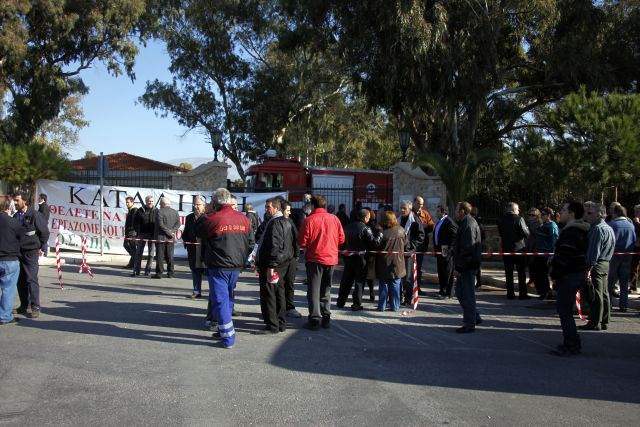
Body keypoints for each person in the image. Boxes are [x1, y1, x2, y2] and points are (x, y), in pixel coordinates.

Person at [196, 188, 252, 349]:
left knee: (220, 300)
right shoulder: (244, 219)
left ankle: (228, 337)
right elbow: (249, 242)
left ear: (215, 202)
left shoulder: (212, 218)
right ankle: (224, 330)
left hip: (218, 265)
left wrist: (204, 213)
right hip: (236, 265)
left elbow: (198, 231)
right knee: (228, 298)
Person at [549, 202, 591, 356]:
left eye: (564, 210)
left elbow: (566, 258)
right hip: (574, 273)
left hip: (570, 275)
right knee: (565, 310)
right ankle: (571, 342)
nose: (561, 212)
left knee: (564, 310)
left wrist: (555, 272)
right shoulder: (578, 230)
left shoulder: (571, 232)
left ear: (572, 213)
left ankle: (571, 344)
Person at [298, 195, 345, 330]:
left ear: (313, 205)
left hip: (315, 259)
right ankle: (326, 316)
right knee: (326, 289)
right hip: (330, 258)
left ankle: (315, 318)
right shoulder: (334, 219)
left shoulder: (309, 220)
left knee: (314, 290)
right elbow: (342, 239)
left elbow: (302, 242)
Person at [255, 198, 296, 334]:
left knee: (270, 294)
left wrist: (271, 266)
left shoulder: (276, 222)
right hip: (281, 263)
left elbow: (275, 245)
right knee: (278, 292)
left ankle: (272, 325)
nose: (266, 209)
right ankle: (280, 322)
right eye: (266, 207)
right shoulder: (284, 222)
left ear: (276, 208)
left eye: (268, 207)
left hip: (274, 264)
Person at [337, 209, 382, 311]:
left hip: (348, 258)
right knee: (359, 281)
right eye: (368, 217)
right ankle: (356, 304)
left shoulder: (347, 227)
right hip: (361, 259)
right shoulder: (365, 228)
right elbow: (374, 243)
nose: (369, 219)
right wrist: (379, 234)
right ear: (365, 218)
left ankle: (340, 301)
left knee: (346, 280)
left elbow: (341, 243)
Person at [580, 201, 615, 331]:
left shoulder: (597, 228)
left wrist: (589, 268)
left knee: (596, 294)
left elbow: (594, 251)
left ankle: (595, 322)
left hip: (597, 264)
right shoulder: (608, 227)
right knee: (604, 293)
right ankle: (605, 320)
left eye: (589, 213)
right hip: (605, 263)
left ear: (599, 215)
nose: (586, 215)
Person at [13, 193, 49, 319]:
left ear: (25, 201)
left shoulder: (34, 215)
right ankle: (24, 305)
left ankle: (35, 306)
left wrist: (39, 245)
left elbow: (44, 232)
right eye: (15, 200)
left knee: (31, 279)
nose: (15, 202)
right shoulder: (16, 216)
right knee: (20, 280)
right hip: (19, 252)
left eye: (17, 200)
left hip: (31, 252)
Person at [451, 202, 483, 333]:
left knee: (467, 295)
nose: (455, 213)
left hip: (467, 266)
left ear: (462, 211)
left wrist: (459, 268)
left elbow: (468, 249)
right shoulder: (465, 223)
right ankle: (475, 316)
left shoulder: (469, 224)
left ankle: (469, 323)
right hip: (464, 265)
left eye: (456, 210)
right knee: (460, 293)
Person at [375, 210, 406, 312]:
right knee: (395, 283)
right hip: (397, 262)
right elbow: (406, 244)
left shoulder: (380, 231)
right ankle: (395, 306)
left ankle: (382, 306)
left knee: (383, 283)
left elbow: (376, 245)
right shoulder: (401, 230)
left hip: (383, 261)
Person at [497, 202, 530, 299]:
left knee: (508, 272)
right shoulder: (519, 219)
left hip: (506, 249)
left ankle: (510, 293)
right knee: (521, 272)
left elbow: (501, 233)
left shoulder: (501, 220)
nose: (518, 211)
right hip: (519, 249)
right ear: (513, 209)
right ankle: (522, 294)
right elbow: (525, 233)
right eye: (517, 209)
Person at [606, 204, 636, 312]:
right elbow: (634, 239)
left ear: (616, 213)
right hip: (627, 255)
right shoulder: (631, 225)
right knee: (624, 282)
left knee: (610, 282)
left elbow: (609, 240)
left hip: (614, 255)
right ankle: (623, 305)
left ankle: (608, 304)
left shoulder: (612, 224)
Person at [1, 198, 23, 325]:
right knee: (8, 289)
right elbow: (22, 237)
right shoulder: (13, 222)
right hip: (9, 259)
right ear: (8, 208)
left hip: (8, 258)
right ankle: (4, 315)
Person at [399, 200, 425, 306]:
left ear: (409, 209)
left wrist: (411, 246)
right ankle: (399, 297)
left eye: (404, 208)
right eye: (401, 208)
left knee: (408, 277)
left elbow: (421, 236)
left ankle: (408, 299)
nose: (402, 210)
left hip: (408, 253)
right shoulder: (399, 219)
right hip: (399, 252)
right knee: (399, 277)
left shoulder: (414, 220)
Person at [531, 207, 559, 300]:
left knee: (543, 274)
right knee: (537, 273)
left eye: (543, 214)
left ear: (549, 216)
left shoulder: (552, 226)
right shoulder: (542, 225)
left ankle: (546, 292)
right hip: (539, 253)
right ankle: (544, 291)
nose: (541, 216)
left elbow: (554, 241)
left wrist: (552, 255)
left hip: (546, 254)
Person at [183, 196, 207, 298]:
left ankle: (214, 293)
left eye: (198, 204)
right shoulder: (189, 218)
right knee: (195, 271)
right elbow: (185, 234)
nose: (195, 206)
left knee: (209, 272)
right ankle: (197, 291)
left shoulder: (208, 217)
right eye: (194, 204)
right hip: (193, 250)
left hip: (205, 250)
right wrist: (187, 243)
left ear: (204, 205)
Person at [281, 201, 302, 318]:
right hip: (279, 259)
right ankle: (279, 308)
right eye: (287, 210)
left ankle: (289, 307)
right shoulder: (272, 222)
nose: (289, 213)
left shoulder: (290, 222)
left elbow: (296, 239)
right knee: (278, 285)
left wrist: (296, 255)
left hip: (290, 258)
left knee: (289, 283)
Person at [152, 197, 180, 279]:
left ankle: (159, 273)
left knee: (160, 256)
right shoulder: (175, 212)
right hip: (170, 238)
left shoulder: (159, 211)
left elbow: (161, 224)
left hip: (161, 237)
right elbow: (178, 223)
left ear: (163, 204)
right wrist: (172, 232)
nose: (159, 205)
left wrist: (168, 232)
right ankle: (170, 273)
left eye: (160, 203)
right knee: (170, 256)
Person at [433, 204, 458, 299]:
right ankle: (442, 290)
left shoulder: (448, 221)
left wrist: (450, 248)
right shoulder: (440, 221)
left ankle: (448, 292)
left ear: (443, 212)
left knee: (447, 272)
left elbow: (455, 235)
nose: (436, 213)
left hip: (446, 251)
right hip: (440, 251)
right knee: (441, 271)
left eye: (438, 211)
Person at [413, 196, 435, 293]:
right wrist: (421, 226)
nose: (420, 206)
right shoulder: (410, 213)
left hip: (421, 245)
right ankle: (408, 288)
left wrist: (428, 226)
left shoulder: (425, 214)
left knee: (418, 267)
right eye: (418, 203)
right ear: (414, 203)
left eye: (421, 204)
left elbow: (431, 227)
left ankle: (417, 287)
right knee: (409, 267)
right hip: (411, 245)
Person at [132, 195, 157, 277]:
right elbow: (135, 223)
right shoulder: (140, 210)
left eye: (152, 201)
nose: (150, 202)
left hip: (152, 235)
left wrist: (155, 233)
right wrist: (138, 231)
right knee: (139, 253)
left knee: (151, 254)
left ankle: (147, 271)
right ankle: (137, 271)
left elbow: (158, 223)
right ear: (146, 201)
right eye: (149, 201)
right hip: (142, 234)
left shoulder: (156, 210)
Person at [123, 196, 138, 269]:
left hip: (132, 233)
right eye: (126, 202)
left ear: (132, 202)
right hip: (130, 232)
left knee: (127, 245)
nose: (127, 204)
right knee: (133, 248)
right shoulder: (131, 210)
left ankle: (136, 260)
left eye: (128, 202)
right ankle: (132, 263)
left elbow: (133, 223)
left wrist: (130, 232)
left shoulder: (134, 210)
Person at [630, 204, 640, 294]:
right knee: (633, 268)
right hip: (635, 247)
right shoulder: (633, 221)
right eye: (635, 211)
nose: (635, 213)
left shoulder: (636, 222)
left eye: (637, 211)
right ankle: (633, 287)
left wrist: (637, 223)